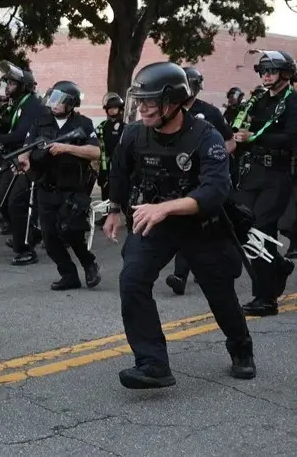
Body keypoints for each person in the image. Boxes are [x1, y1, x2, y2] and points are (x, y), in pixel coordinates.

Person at [104, 61, 255, 389]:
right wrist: (114, 209)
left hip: (202, 225)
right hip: (155, 221)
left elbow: (216, 190)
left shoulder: (205, 136)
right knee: (132, 280)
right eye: (140, 101)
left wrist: (166, 208)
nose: (143, 109)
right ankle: (152, 364)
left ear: (173, 102)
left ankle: (241, 348)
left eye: (151, 101)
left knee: (220, 293)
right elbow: (119, 170)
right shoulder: (134, 133)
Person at [231, 50, 297, 317]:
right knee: (244, 228)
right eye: (263, 71)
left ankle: (266, 298)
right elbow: (244, 128)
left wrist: (254, 138)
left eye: (272, 70)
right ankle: (278, 265)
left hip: (277, 174)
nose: (266, 75)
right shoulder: (258, 100)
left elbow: (291, 138)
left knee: (260, 232)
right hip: (253, 173)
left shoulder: (293, 102)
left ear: (286, 73)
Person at [17, 81, 101, 290]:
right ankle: (69, 275)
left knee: (72, 233)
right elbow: (26, 147)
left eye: (60, 101)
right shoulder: (40, 122)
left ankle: (89, 265)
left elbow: (95, 152)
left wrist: (66, 148)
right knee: (49, 238)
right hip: (46, 187)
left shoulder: (83, 123)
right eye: (53, 99)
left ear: (71, 104)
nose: (54, 104)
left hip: (72, 189)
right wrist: (23, 159)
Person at [164, 67, 237, 295]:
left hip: (207, 179)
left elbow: (230, 142)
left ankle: (224, 265)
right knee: (185, 224)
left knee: (218, 226)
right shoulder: (166, 111)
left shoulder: (209, 112)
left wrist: (212, 158)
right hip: (180, 180)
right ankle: (180, 275)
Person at [0, 64, 47, 266]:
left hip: (26, 160)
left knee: (15, 203)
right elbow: (11, 126)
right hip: (13, 158)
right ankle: (27, 232)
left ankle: (26, 248)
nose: (8, 87)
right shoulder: (17, 103)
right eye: (8, 83)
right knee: (1, 201)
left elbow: (22, 134)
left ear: (25, 86)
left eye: (13, 83)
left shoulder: (32, 104)